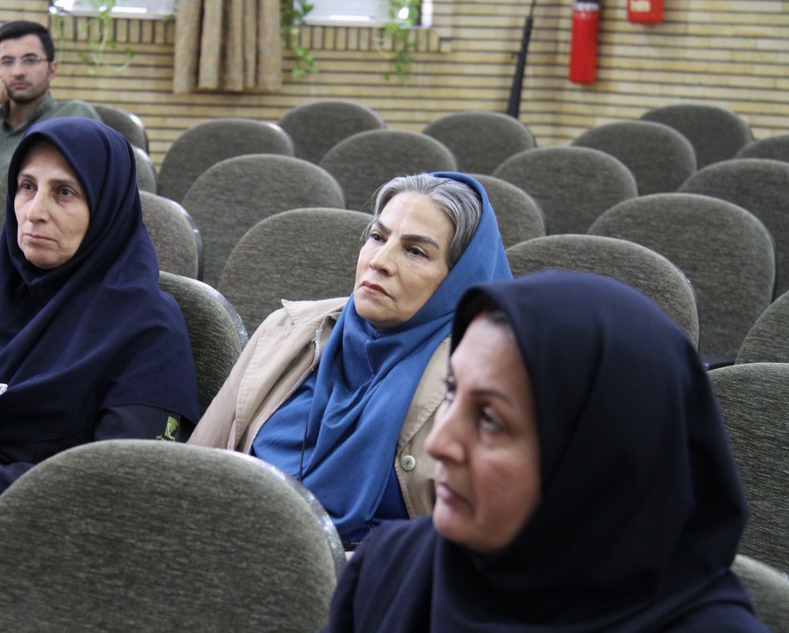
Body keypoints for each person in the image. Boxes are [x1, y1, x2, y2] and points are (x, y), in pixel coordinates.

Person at [323, 270, 767, 632]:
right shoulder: (391, 569)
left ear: (597, 460)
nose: (439, 443)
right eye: (452, 391)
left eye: (490, 419)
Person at [0, 116, 200, 631]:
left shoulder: (146, 327)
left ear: (105, 208)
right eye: (26, 187)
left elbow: (112, 492)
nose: (35, 211)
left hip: (25, 550)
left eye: (64, 193)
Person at [189, 172, 511, 547]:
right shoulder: (286, 329)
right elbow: (192, 468)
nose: (380, 261)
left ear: (461, 278)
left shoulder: (483, 384)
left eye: (415, 251)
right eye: (377, 237)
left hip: (376, 578)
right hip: (227, 553)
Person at [0, 20, 99, 192]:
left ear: (52, 70)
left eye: (30, 60)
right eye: (8, 61)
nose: (17, 71)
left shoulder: (74, 115)